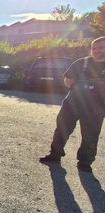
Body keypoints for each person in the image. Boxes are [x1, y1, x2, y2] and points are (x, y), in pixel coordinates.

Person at [40, 37, 105, 173]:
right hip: (72, 104)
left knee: (90, 135)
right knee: (61, 129)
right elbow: (67, 81)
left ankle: (85, 162)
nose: (97, 51)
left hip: (96, 108)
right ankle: (55, 155)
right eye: (94, 48)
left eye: (101, 48)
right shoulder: (81, 63)